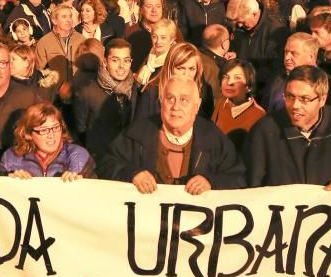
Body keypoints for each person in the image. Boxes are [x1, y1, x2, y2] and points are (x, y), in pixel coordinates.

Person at [99, 77, 246, 193]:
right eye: (170, 98)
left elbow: (239, 178)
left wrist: (211, 182)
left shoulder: (214, 139)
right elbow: (105, 164)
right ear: (161, 102)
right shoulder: (136, 134)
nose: (176, 107)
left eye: (184, 100)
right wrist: (132, 174)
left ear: (197, 105)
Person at [245, 65, 331, 188]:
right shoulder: (265, 130)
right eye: (290, 96)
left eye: (304, 99)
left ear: (322, 99)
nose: (295, 105)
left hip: (327, 206)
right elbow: (253, 184)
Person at [0, 102, 95, 179]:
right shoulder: (11, 158)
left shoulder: (78, 156)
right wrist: (11, 182)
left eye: (56, 128)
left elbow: (93, 195)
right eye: (44, 130)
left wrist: (79, 183)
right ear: (28, 134)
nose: (51, 135)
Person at [212, 59, 266, 156]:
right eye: (226, 77)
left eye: (237, 78)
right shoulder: (222, 103)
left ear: (248, 86)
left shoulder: (259, 116)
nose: (229, 82)